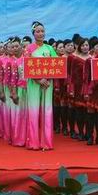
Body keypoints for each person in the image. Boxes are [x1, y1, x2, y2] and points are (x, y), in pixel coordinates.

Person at [24, 21, 57, 151]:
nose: (40, 33)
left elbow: (57, 65)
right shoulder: (29, 49)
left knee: (47, 111)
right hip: (34, 83)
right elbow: (26, 67)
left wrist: (47, 78)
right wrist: (38, 79)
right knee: (34, 111)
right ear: (33, 33)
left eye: (42, 31)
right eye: (37, 31)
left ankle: (46, 142)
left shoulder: (49, 48)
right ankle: (34, 142)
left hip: (48, 83)